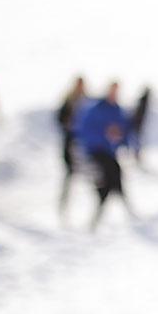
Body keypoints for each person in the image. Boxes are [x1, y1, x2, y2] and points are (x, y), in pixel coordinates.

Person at [77, 81, 133, 228]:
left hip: (110, 152)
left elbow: (124, 130)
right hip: (96, 151)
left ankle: (120, 213)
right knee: (109, 179)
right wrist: (104, 135)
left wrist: (123, 141)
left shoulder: (117, 110)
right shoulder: (95, 109)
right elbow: (85, 131)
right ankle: (104, 216)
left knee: (115, 177)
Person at [56, 76, 89, 214]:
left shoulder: (87, 101)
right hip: (70, 140)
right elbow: (60, 118)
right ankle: (64, 203)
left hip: (83, 141)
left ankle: (84, 206)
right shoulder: (68, 100)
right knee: (69, 173)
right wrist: (68, 124)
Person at [129, 86, 151, 164]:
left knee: (137, 141)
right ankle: (135, 155)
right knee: (136, 141)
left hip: (138, 124)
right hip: (137, 124)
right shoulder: (143, 102)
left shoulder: (143, 101)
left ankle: (136, 155)